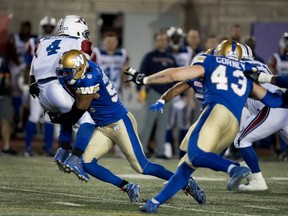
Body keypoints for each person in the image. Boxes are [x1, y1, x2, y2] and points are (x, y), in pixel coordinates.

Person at [124, 40, 288, 213]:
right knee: (186, 162)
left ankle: (234, 168)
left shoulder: (211, 60)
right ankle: (154, 203)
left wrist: (145, 79)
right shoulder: (245, 73)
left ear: (219, 52)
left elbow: (175, 75)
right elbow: (274, 100)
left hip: (216, 113)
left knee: (194, 155)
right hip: (232, 125)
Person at [50, 49, 206, 205]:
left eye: (68, 72)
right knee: (87, 162)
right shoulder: (87, 67)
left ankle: (186, 182)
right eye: (63, 72)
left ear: (79, 69)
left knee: (142, 167)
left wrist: (56, 118)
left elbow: (76, 113)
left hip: (120, 123)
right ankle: (128, 187)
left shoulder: (89, 81)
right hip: (104, 126)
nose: (65, 75)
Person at [28, 15, 96, 181]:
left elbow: (33, 65)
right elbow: (81, 69)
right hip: (58, 86)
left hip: (40, 91)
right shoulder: (80, 42)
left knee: (68, 116)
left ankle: (62, 150)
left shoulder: (43, 41)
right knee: (87, 121)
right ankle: (75, 158)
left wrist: (33, 84)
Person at [233, 43, 288, 191]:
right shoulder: (261, 64)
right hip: (283, 108)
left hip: (271, 108)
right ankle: (250, 171)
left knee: (241, 140)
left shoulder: (235, 67)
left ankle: (257, 180)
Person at [138, 30, 177, 158]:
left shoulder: (171, 58)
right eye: (160, 39)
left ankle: (160, 151)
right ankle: (142, 149)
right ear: (155, 41)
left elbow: (177, 76)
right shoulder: (150, 56)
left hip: (167, 95)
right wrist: (140, 91)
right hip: (153, 92)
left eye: (165, 40)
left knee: (163, 124)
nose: (162, 42)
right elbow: (142, 74)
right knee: (148, 123)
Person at [24, 16, 57, 157]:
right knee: (34, 116)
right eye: (46, 27)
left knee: (50, 117)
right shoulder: (33, 42)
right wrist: (28, 83)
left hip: (53, 84)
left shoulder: (59, 42)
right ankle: (27, 147)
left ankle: (48, 148)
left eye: (51, 28)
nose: (48, 30)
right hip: (37, 83)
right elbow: (27, 65)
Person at [165, 26, 193, 158]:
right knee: (168, 122)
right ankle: (167, 150)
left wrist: (188, 93)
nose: (176, 40)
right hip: (168, 91)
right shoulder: (165, 52)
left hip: (183, 89)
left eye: (178, 37)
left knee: (184, 123)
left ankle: (182, 151)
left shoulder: (188, 51)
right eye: (174, 37)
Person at [7, 21, 32, 135]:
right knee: (16, 95)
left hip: (26, 69)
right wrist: (18, 64)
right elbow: (10, 51)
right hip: (16, 68)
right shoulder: (15, 38)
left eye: (26, 28)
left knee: (26, 97)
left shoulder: (33, 40)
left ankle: (23, 121)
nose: (23, 30)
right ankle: (17, 119)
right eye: (22, 28)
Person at [0, 53, 17, 155]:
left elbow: (7, 79)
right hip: (4, 93)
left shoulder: (3, 58)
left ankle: (6, 147)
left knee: (5, 120)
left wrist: (8, 90)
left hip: (3, 94)